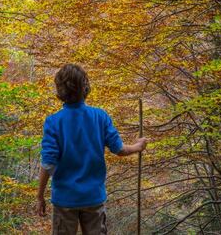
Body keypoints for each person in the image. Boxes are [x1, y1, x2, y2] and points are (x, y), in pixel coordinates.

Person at [36, 64, 149, 235]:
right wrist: (137, 147)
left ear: (60, 90)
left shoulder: (53, 122)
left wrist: (39, 196)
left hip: (65, 200)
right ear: (85, 87)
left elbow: (48, 163)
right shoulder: (100, 116)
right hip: (93, 198)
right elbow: (119, 149)